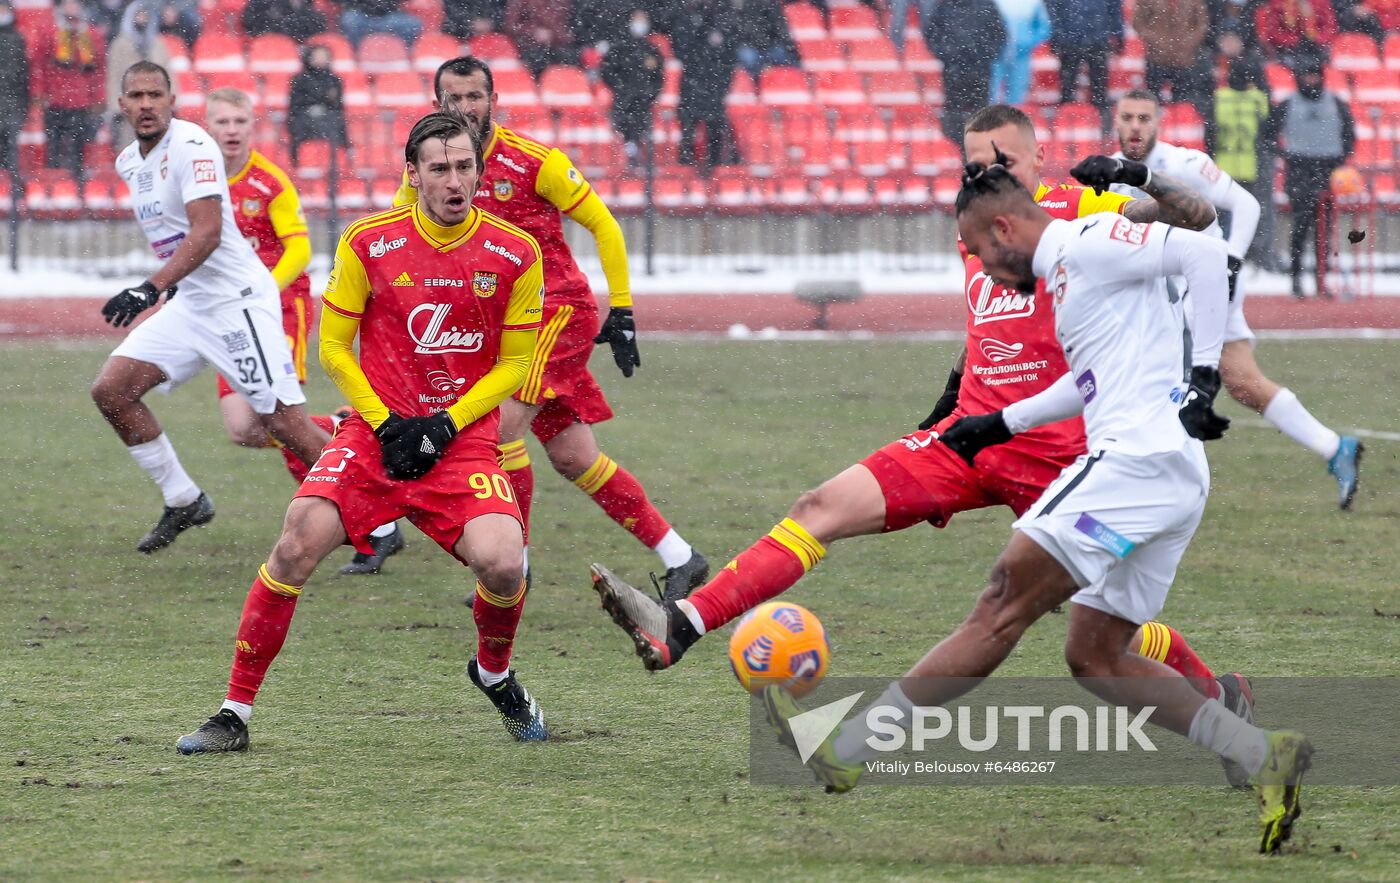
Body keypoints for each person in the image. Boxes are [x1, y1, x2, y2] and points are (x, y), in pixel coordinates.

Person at [591, 104, 1252, 780]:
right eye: (973, 166)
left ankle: (1218, 701)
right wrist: (956, 395)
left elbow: (1197, 225)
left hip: (1062, 452)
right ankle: (683, 625)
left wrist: (1141, 186)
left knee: (1088, 622)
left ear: (1034, 161)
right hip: (969, 435)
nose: (984, 174)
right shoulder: (975, 226)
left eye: (999, 162)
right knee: (822, 505)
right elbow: (992, 324)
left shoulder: (1082, 207)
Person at [762, 158, 1314, 856]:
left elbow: (1206, 251)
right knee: (1094, 654)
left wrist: (1205, 374)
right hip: (1164, 470)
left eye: (982, 252)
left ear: (1004, 226)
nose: (987, 273)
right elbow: (1089, 382)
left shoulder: (1088, 241)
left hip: (1135, 461)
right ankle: (1264, 753)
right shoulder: (1069, 274)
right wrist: (997, 425)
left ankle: (847, 748)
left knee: (1000, 604)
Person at [175, 112, 549, 754]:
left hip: (459, 444)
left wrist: (446, 421)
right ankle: (233, 714)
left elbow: (516, 364)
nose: (455, 180)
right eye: (440, 168)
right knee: (295, 544)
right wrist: (386, 422)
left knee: (505, 564)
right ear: (414, 174)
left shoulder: (516, 253)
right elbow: (334, 348)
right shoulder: (369, 242)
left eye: (465, 166)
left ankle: (493, 674)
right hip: (374, 440)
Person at [395, 57, 709, 601]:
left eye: (473, 96)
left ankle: (514, 565)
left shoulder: (532, 161)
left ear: (493, 100)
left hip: (555, 313)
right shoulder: (426, 169)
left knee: (494, 434)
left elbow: (604, 226)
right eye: (453, 99)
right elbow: (403, 233)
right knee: (573, 457)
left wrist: (625, 311)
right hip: (503, 326)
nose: (464, 108)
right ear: (436, 104)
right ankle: (681, 556)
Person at [92, 62, 329, 554]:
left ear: (172, 99)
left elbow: (207, 231)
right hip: (191, 304)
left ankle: (381, 512)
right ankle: (184, 499)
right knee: (112, 391)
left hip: (235, 302)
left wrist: (150, 288)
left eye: (155, 94)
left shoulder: (194, 145)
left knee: (282, 423)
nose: (146, 104)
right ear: (122, 105)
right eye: (135, 95)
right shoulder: (128, 163)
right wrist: (167, 288)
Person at [1112, 89, 1362, 509]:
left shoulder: (1184, 164)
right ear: (1114, 121)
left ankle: (1154, 483)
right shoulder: (1113, 173)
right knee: (1243, 382)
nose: (1135, 126)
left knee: (1164, 377)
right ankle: (1335, 447)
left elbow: (1245, 204)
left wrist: (1229, 264)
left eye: (1144, 118)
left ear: (1159, 122)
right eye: (1127, 118)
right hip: (1162, 286)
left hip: (1205, 284)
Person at [1260, 55, 1354, 300]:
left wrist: (1339, 161)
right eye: (1306, 76)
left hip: (1328, 171)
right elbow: (1268, 134)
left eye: (1314, 76)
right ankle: (1297, 281)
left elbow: (1349, 135)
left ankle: (1322, 281)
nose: (1310, 81)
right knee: (1300, 228)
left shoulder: (1336, 103)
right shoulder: (1287, 104)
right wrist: (1286, 154)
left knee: (1325, 231)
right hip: (1299, 170)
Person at [1212, 53, 1281, 270]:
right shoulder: (1259, 98)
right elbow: (1270, 132)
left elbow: (1211, 132)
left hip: (1231, 165)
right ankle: (1248, 256)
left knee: (1235, 215)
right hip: (1245, 165)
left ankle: (1231, 255)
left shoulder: (1220, 97)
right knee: (1251, 213)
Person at [34, 0, 105, 184]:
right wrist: (40, 93)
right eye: (68, 3)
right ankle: (54, 187)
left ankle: (76, 185)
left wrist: (98, 97)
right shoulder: (50, 32)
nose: (72, 7)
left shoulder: (91, 34)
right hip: (55, 100)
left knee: (78, 148)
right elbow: (39, 65)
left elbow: (98, 70)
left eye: (75, 3)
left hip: (81, 101)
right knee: (54, 146)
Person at [671, 0, 740, 168]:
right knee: (688, 123)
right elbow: (680, 50)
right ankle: (686, 165)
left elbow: (729, 53)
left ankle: (714, 163)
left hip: (714, 81)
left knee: (714, 124)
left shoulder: (723, 18)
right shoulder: (686, 18)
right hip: (693, 80)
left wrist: (722, 81)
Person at [925, 0, 1005, 142]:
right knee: (954, 114)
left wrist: (984, 56)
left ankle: (975, 148)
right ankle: (959, 145)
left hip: (980, 72)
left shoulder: (986, 6)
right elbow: (931, 35)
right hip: (954, 72)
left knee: (980, 114)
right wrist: (947, 55)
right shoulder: (945, 7)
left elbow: (1000, 36)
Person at [600, 8, 665, 169]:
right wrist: (622, 88)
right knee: (624, 128)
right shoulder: (619, 47)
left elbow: (659, 77)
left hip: (644, 100)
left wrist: (651, 93)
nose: (640, 24)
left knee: (642, 129)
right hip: (624, 99)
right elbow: (606, 71)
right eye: (637, 20)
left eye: (643, 20)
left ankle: (641, 159)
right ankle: (629, 157)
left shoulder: (652, 49)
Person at [105, 2, 170, 154]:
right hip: (129, 105)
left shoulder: (158, 44)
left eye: (145, 15)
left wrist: (170, 102)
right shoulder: (120, 45)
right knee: (131, 149)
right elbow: (113, 77)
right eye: (138, 15)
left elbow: (168, 75)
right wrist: (116, 106)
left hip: (156, 105)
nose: (142, 19)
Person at [1046, 0, 1121, 117]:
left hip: (1096, 40)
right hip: (1071, 40)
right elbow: (1053, 10)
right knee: (1067, 89)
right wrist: (1056, 36)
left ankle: (1103, 125)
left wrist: (1119, 35)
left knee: (1099, 91)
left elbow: (1115, 10)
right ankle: (1065, 122)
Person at [1133, 0, 1213, 110]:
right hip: (1157, 58)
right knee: (1152, 100)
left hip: (1184, 59)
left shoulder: (1195, 2)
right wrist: (1155, 39)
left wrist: (1189, 41)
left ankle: (1180, 124)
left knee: (1183, 101)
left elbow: (1202, 24)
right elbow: (1138, 22)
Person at [287, 44, 346, 167]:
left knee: (336, 123)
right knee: (300, 126)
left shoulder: (334, 80)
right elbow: (295, 104)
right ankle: (296, 163)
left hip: (328, 118)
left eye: (324, 56)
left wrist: (323, 106)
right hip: (303, 118)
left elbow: (337, 105)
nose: (321, 59)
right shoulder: (299, 79)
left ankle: (339, 163)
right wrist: (313, 106)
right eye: (317, 56)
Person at [989, 0, 1051, 105]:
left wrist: (1029, 43)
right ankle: (987, 120)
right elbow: (983, 22)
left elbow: (1044, 27)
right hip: (995, 55)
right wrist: (992, 45)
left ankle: (1012, 119)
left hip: (1022, 56)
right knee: (991, 93)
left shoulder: (1033, 2)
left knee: (1017, 95)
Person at [731, 0, 799, 82]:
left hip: (770, 44)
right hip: (751, 45)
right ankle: (758, 83)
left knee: (788, 58)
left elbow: (781, 27)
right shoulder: (740, 7)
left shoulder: (772, 6)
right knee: (749, 59)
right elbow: (739, 28)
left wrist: (790, 46)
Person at [504, 0, 577, 77]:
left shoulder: (562, 3)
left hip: (557, 46)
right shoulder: (521, 2)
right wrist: (534, 32)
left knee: (569, 59)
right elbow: (511, 25)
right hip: (528, 47)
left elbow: (571, 28)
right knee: (537, 59)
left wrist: (553, 34)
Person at [1254, 0, 1336, 67]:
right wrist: (1295, 41)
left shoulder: (1321, 2)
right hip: (1286, 50)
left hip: (1316, 48)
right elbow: (1273, 30)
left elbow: (1329, 27)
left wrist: (1315, 40)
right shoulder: (1277, 3)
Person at [0, 0, 29, 190]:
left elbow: (22, 77)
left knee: (12, 156)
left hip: (11, 107)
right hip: (9, 104)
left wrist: (22, 108)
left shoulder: (17, 38)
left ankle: (14, 200)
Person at [338, 0, 422, 49]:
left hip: (391, 17)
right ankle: (356, 52)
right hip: (362, 17)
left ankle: (403, 54)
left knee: (412, 23)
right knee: (349, 19)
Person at [241, 0, 327, 41]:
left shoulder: (309, 8)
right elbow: (250, 23)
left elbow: (318, 27)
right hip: (269, 43)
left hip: (299, 46)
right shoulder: (264, 4)